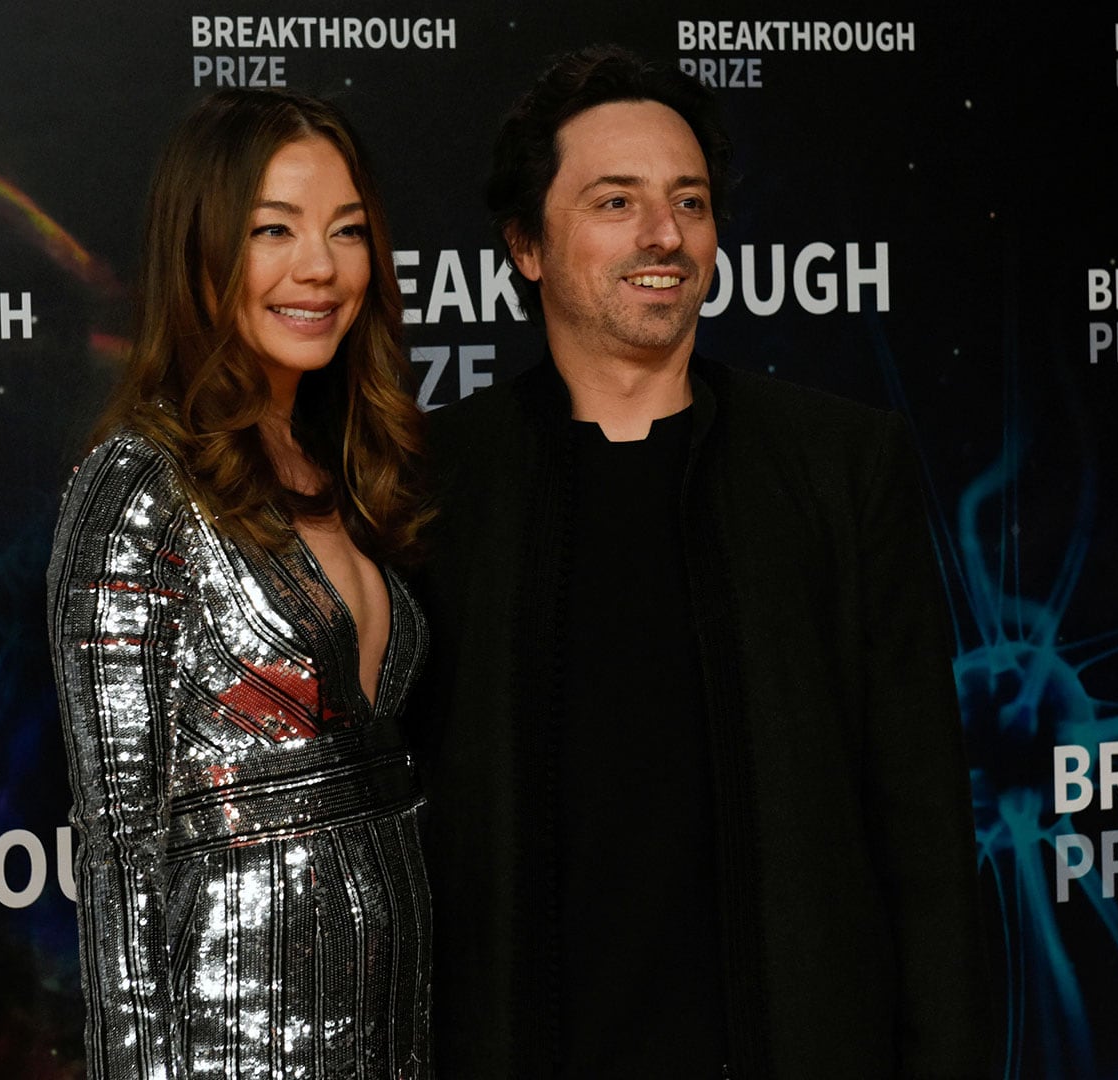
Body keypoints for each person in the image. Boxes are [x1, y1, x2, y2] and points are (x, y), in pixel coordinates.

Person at [412, 46, 992, 1077]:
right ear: (525, 245)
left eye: (688, 200)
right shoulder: (433, 489)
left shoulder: (843, 467)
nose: (662, 234)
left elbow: (927, 841)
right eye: (614, 201)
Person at [47, 89, 433, 1079]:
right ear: (201, 251)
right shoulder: (138, 486)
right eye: (275, 230)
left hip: (395, 1035)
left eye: (348, 231)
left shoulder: (342, 467)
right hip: (233, 1051)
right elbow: (122, 857)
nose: (321, 267)